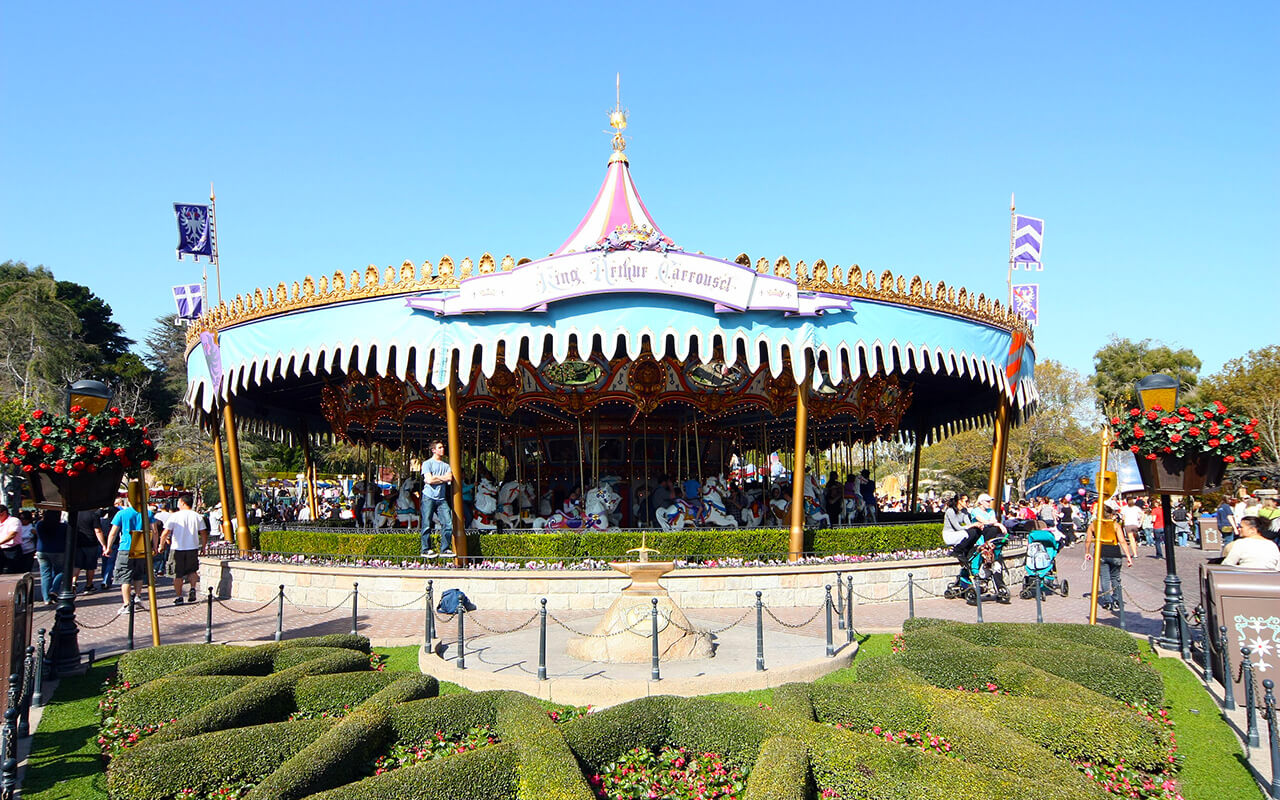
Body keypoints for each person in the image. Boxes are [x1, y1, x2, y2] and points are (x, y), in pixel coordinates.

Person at [1085, 499, 1136, 612]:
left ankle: (1108, 601)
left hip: (1101, 553)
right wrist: (1128, 556)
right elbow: (1122, 541)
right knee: (1115, 578)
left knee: (1105, 578)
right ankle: (1117, 599)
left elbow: (1088, 540)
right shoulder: (1115, 525)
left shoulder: (1093, 525)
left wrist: (1087, 552)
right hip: (1114, 552)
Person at [161, 493, 208, 604]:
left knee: (177, 574)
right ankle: (192, 588)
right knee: (192, 571)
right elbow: (203, 533)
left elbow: (165, 532)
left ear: (182, 502)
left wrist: (161, 545)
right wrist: (204, 547)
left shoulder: (175, 516)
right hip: (192, 547)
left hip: (177, 548)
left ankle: (179, 596)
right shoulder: (197, 516)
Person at [106, 497, 148, 615]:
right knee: (138, 574)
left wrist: (108, 547)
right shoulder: (147, 513)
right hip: (141, 547)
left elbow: (113, 532)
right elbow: (154, 531)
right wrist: (154, 546)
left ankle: (127, 604)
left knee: (125, 576)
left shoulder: (122, 513)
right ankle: (138, 596)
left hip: (125, 547)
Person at [419, 440, 455, 556]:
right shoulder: (427, 464)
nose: (442, 449)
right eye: (439, 447)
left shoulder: (446, 465)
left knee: (448, 523)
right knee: (426, 523)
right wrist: (442, 478)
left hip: (441, 498)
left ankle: (445, 548)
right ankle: (425, 549)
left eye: (442, 447)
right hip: (428, 496)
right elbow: (428, 480)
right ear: (433, 450)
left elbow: (449, 478)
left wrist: (436, 478)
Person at [34, 509, 66, 604]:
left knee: (45, 574)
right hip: (58, 551)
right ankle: (54, 589)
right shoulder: (63, 526)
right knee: (61, 571)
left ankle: (46, 598)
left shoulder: (39, 525)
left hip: (42, 550)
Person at [0, 506, 22, 574]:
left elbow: (12, 534)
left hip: (12, 550)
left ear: (4, 513)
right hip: (1, 550)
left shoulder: (14, 520)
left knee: (12, 572)